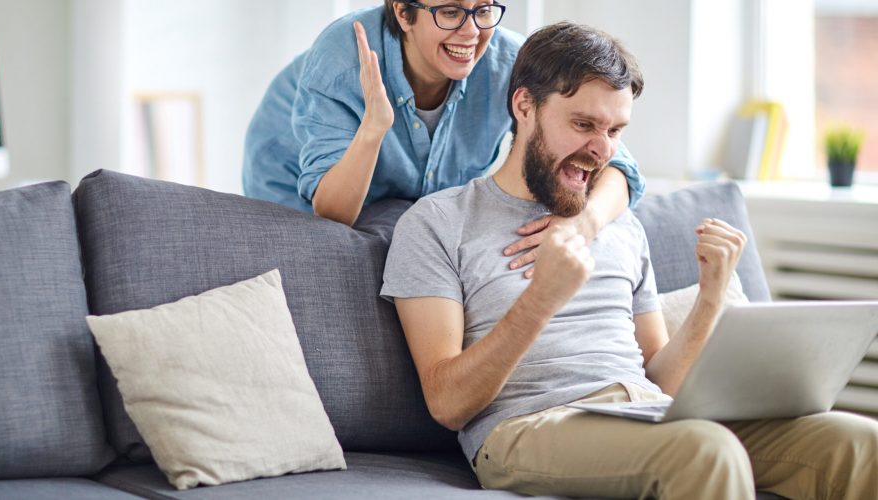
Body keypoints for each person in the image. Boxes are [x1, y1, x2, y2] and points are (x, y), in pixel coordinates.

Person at [381, 21, 878, 500]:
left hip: (647, 413)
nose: (601, 150)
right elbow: (447, 404)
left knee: (856, 443)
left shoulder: (618, 224)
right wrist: (540, 300)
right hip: (528, 426)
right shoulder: (438, 223)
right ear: (525, 105)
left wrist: (709, 299)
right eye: (583, 125)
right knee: (705, 450)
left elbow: (662, 379)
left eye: (616, 130)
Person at [243, 1, 646, 273]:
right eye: (451, 11)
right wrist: (373, 129)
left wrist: (583, 223)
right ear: (403, 11)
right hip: (300, 188)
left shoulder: (509, 61)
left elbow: (615, 165)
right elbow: (332, 213)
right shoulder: (344, 57)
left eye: (484, 10)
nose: (471, 32)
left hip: (413, 204)